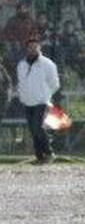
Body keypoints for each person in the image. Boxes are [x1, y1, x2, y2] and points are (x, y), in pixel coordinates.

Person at [15, 36, 60, 164]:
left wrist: (46, 95)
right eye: (30, 47)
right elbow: (21, 83)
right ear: (26, 49)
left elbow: (55, 83)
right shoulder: (21, 65)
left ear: (39, 48)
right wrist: (23, 96)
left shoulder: (47, 64)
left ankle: (49, 153)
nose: (33, 49)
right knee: (33, 129)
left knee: (39, 127)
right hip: (28, 102)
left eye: (35, 46)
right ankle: (39, 156)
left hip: (42, 101)